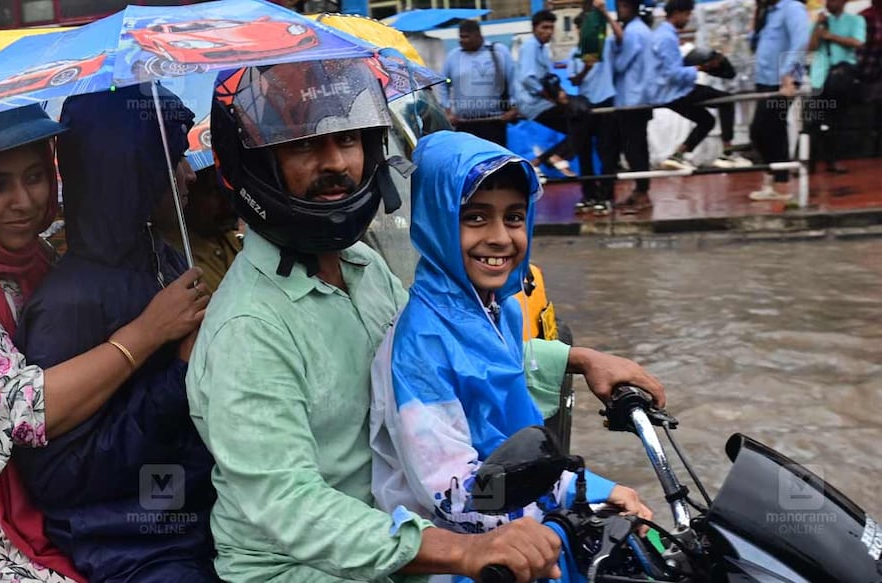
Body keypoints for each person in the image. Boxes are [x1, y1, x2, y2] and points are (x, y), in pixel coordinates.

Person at [186, 58, 565, 583]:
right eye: (303, 145)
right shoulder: (248, 328)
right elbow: (289, 505)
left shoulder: (364, 266)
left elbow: (435, 358)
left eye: (347, 140)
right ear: (258, 165)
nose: (336, 163)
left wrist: (576, 362)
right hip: (302, 568)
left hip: (403, 535)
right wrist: (460, 552)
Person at [0, 105, 198, 581]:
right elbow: (12, 414)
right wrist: (145, 335)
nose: (24, 200)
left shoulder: (32, 258)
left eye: (35, 176)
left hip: (43, 506)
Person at [369, 131, 659, 557]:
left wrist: (595, 490)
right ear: (437, 221)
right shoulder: (421, 343)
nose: (501, 237)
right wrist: (568, 516)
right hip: (462, 552)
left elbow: (508, 430)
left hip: (520, 518)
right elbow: (453, 495)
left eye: (514, 217)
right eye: (475, 218)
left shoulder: (500, 309)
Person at [12, 85, 218, 582]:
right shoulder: (72, 301)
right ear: (130, 174)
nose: (189, 174)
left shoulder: (165, 261)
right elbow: (59, 476)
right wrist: (179, 375)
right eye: (173, 160)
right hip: (127, 546)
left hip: (199, 522)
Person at [650, 0, 746, 171]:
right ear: (678, 12)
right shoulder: (666, 37)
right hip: (676, 92)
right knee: (727, 100)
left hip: (669, 94)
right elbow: (671, 74)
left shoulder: (662, 34)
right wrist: (701, 68)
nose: (689, 18)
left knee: (706, 120)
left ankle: (678, 156)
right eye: (687, 14)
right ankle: (728, 153)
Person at [748, 0, 811, 201]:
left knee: (760, 129)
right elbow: (755, 44)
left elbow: (801, 42)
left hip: (784, 81)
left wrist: (789, 75)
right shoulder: (767, 11)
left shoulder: (792, 8)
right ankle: (779, 184)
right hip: (764, 80)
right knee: (774, 130)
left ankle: (780, 181)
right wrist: (755, 21)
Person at [514, 10, 589, 177]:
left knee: (577, 128)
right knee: (581, 123)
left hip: (543, 101)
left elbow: (549, 77)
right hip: (535, 104)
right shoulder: (530, 46)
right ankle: (556, 156)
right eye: (544, 27)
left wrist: (559, 93)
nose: (548, 32)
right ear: (534, 28)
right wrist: (552, 98)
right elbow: (528, 78)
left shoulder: (541, 48)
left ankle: (542, 160)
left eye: (551, 28)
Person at [570, 0, 623, 214]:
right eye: (582, 28)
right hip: (585, 107)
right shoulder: (575, 53)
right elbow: (574, 80)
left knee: (607, 152)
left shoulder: (606, 44)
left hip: (606, 104)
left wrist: (606, 13)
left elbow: (621, 37)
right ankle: (589, 195)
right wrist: (585, 68)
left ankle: (606, 196)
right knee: (583, 152)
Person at [160, 166, 243, 293]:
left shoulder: (225, 236)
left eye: (227, 188)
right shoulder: (177, 266)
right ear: (187, 195)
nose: (227, 201)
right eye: (214, 191)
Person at [807, 0, 866, 174]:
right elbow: (810, 47)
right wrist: (819, 26)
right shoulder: (821, 21)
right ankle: (809, 161)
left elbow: (858, 42)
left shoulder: (855, 20)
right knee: (813, 121)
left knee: (836, 121)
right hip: (819, 76)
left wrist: (831, 36)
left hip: (840, 77)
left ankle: (833, 160)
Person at [438, 19, 518, 146]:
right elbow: (444, 82)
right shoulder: (453, 57)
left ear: (478, 35)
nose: (462, 40)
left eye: (466, 37)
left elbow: (513, 79)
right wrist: (447, 111)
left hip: (494, 122)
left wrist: (514, 107)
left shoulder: (498, 52)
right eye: (461, 37)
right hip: (464, 124)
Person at [612, 0, 656, 214]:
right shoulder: (644, 30)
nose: (621, 10)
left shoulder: (632, 32)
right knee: (640, 147)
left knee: (633, 148)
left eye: (624, 6)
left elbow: (620, 64)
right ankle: (641, 190)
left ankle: (642, 193)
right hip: (643, 96)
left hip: (631, 99)